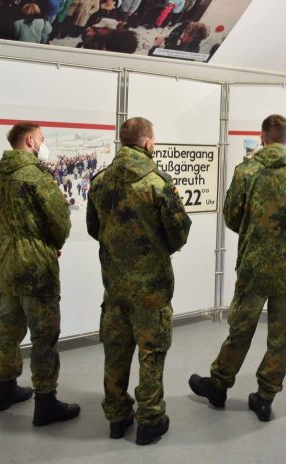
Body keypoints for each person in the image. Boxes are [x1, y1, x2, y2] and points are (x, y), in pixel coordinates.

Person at [189, 114, 286, 422]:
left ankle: (219, 385)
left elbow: (232, 216)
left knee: (240, 329)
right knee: (279, 337)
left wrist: (255, 230)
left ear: (261, 138)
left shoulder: (246, 171)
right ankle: (265, 397)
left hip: (253, 267)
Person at [87, 117, 191, 444]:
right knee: (151, 352)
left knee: (115, 352)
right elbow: (178, 232)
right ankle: (149, 419)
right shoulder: (158, 182)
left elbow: (94, 229)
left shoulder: (99, 181)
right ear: (147, 142)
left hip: (114, 286)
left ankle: (117, 418)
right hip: (151, 289)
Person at [0, 123, 80, 426]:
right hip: (35, 264)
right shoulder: (37, 177)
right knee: (44, 333)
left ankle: (5, 389)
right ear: (29, 140)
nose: (43, 144)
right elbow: (60, 220)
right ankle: (45, 402)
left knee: (9, 328)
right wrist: (48, 244)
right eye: (41, 139)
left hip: (6, 260)